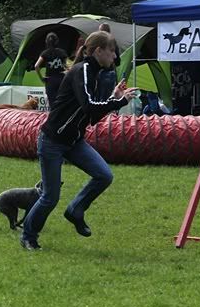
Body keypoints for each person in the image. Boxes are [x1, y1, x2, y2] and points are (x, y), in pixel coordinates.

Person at [21, 31, 139, 251]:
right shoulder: (83, 70)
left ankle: (75, 210)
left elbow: (91, 116)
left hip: (74, 141)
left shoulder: (93, 73)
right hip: (52, 141)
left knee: (104, 175)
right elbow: (89, 106)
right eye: (112, 51)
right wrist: (119, 102)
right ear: (98, 51)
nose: (115, 57)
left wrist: (113, 98)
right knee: (50, 197)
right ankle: (28, 236)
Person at [34, 32, 67, 109]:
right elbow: (66, 65)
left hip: (50, 80)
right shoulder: (62, 52)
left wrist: (41, 78)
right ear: (57, 41)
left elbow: (36, 66)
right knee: (62, 102)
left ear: (46, 42)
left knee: (52, 104)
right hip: (61, 79)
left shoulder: (45, 53)